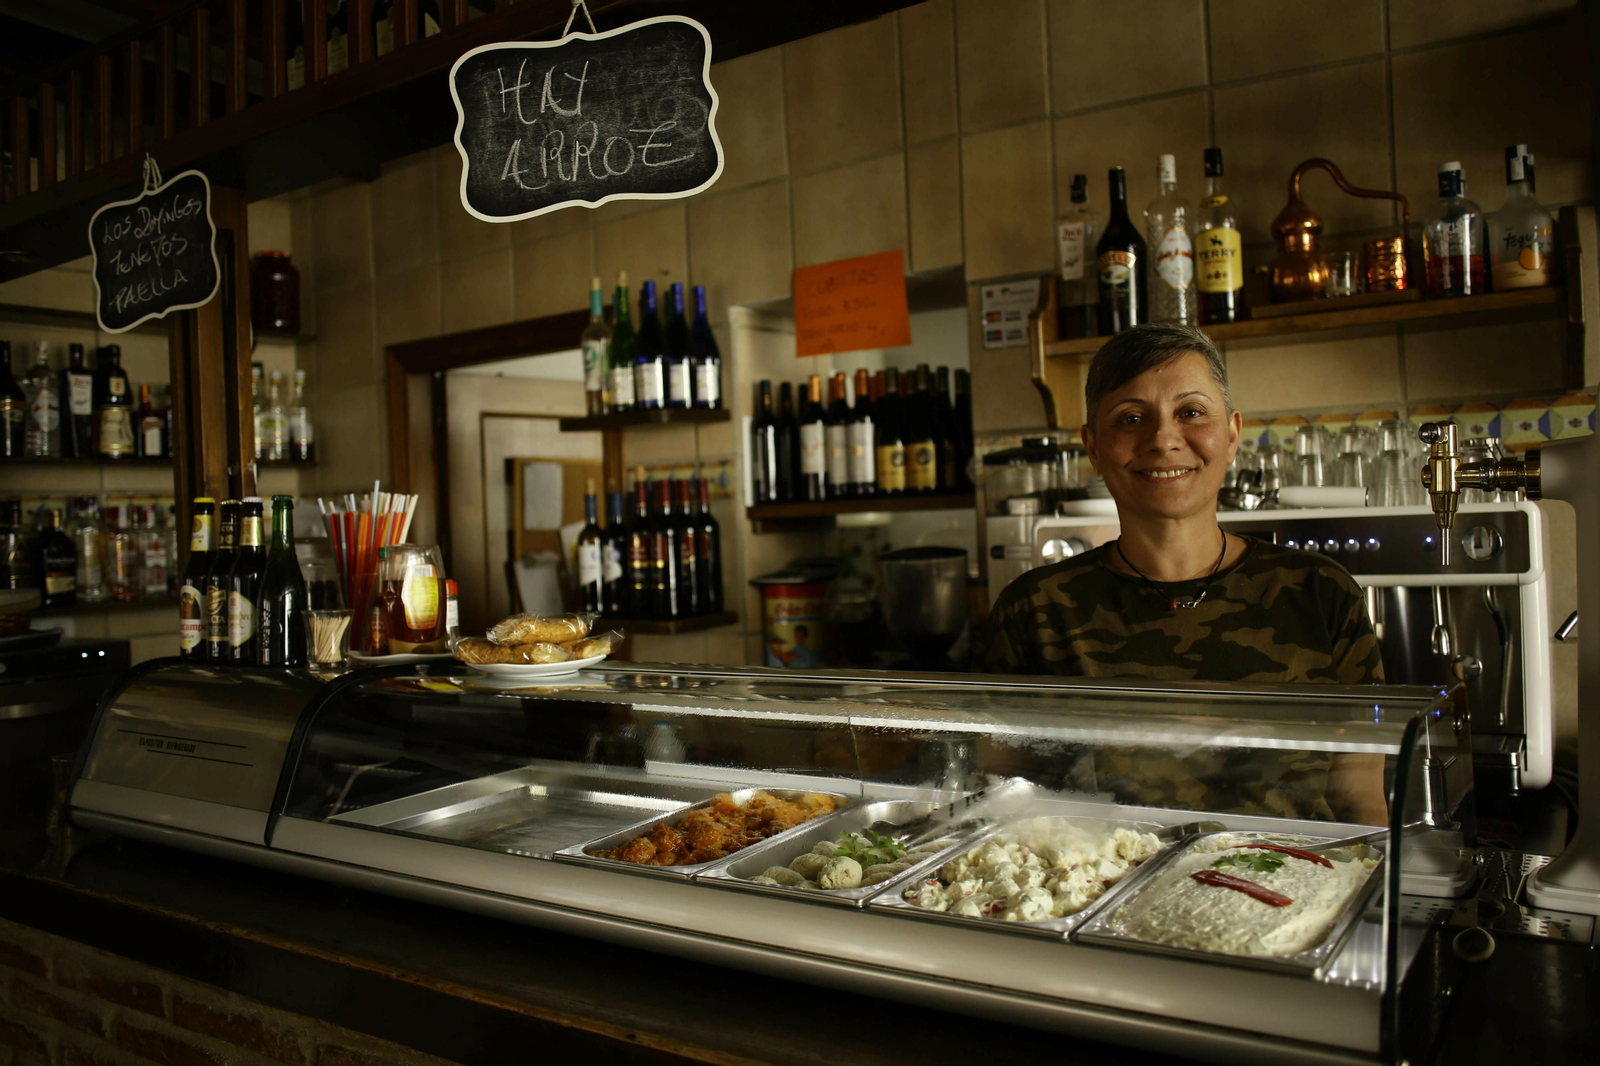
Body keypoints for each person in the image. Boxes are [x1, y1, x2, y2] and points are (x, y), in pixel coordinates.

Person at [977, 323, 1388, 825]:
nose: (1163, 439)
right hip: (1103, 893)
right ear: (1094, 448)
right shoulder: (1035, 609)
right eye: (1131, 418)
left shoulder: (1320, 592)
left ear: (1232, 433)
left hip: (1292, 891)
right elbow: (1004, 808)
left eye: (1191, 412)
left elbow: (1360, 803)